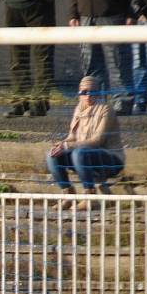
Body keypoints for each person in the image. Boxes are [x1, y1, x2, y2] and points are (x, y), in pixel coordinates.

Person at [47, 75, 124, 210]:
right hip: (84, 156)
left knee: (79, 153)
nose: (87, 96)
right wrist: (61, 144)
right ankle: (68, 195)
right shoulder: (79, 108)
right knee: (51, 154)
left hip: (111, 159)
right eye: (84, 92)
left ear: (98, 93)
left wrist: (67, 145)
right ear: (79, 93)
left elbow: (97, 140)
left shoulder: (106, 109)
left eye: (92, 92)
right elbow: (72, 137)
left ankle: (90, 197)